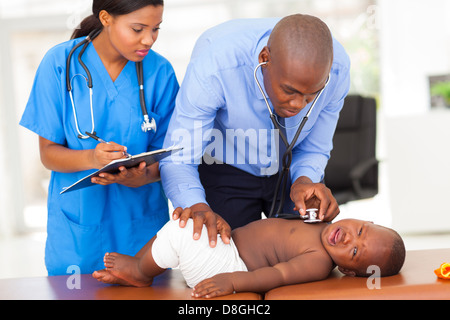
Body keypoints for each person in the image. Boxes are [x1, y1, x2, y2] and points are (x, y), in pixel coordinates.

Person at [19, 0, 179, 276]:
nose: (148, 39)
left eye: (156, 29)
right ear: (106, 18)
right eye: (138, 28)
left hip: (140, 226)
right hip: (79, 230)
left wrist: (139, 176)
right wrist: (92, 157)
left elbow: (169, 157)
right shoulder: (60, 65)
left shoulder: (160, 72)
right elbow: (48, 153)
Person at [159, 14, 351, 235]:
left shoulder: (336, 69)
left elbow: (314, 148)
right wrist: (195, 205)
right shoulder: (215, 66)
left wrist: (304, 180)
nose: (299, 104)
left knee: (309, 251)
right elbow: (179, 158)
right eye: (289, 90)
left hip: (292, 165)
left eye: (311, 95)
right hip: (227, 164)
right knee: (226, 255)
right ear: (264, 58)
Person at [92, 210, 406, 298]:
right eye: (361, 231)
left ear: (348, 271)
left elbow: (277, 275)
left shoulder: (318, 260)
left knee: (184, 231)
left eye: (354, 252)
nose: (350, 238)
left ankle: (140, 272)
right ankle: (139, 263)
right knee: (185, 220)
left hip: (229, 265)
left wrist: (233, 282)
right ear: (366, 219)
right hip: (228, 247)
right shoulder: (321, 219)